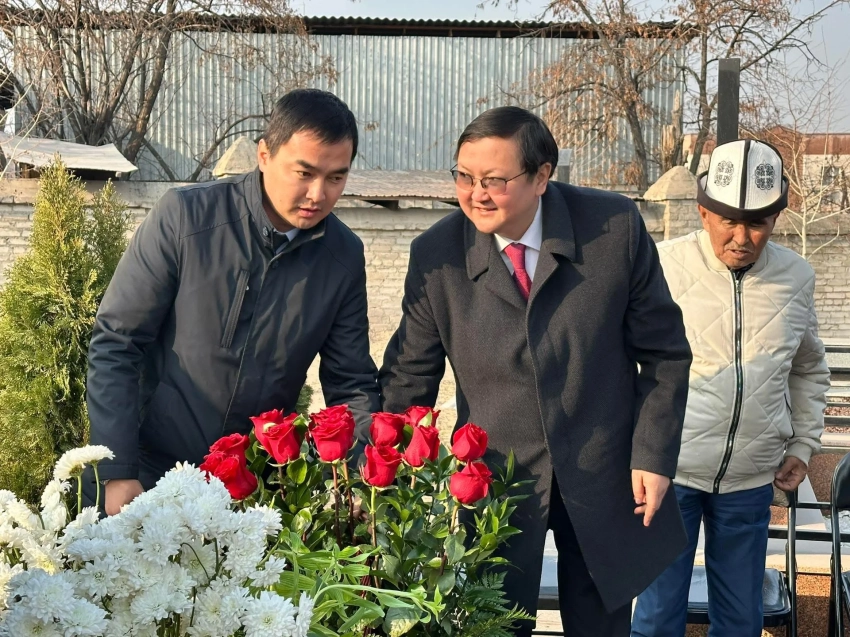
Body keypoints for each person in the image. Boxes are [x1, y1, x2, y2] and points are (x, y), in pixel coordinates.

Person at [379, 106, 693, 637]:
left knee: (600, 626)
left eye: (494, 181)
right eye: (464, 176)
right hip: (496, 482)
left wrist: (653, 455)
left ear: (542, 176)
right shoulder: (437, 255)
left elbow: (665, 353)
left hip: (604, 472)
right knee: (494, 626)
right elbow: (409, 378)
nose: (476, 194)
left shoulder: (613, 229)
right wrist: (386, 476)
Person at [86, 89, 381, 515]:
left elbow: (351, 383)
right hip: (145, 473)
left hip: (251, 490)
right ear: (264, 155)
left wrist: (358, 480)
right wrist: (116, 470)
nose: (318, 194)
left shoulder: (342, 257)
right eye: (304, 173)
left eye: (336, 178)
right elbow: (117, 342)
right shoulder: (187, 218)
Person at [631, 139, 831, 637]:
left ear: (776, 219)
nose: (741, 237)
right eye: (728, 221)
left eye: (757, 223)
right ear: (703, 213)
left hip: (750, 479)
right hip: (667, 475)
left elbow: (808, 368)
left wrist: (803, 444)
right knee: (656, 618)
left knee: (742, 619)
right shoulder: (661, 266)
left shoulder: (796, 277)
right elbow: (624, 363)